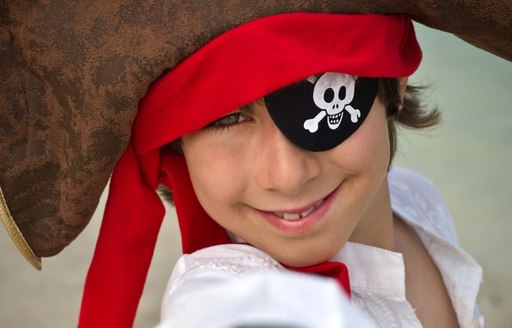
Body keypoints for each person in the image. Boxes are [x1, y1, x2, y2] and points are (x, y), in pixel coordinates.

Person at [78, 13, 483, 327]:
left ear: (395, 82)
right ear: (175, 144)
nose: (288, 176)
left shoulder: (417, 200)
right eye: (228, 118)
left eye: (318, 94)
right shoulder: (223, 291)